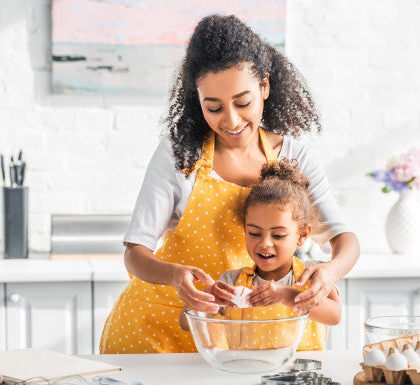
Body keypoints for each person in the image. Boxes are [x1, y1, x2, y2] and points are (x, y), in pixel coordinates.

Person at [100, 14, 359, 354]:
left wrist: (330, 272)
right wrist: (177, 277)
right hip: (158, 328)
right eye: (214, 107)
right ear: (198, 100)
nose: (232, 120)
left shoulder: (294, 157)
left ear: (264, 86)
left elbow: (344, 240)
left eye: (243, 102)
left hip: (237, 338)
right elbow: (136, 255)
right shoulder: (180, 154)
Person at [179, 159, 341, 350]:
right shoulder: (232, 281)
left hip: (301, 377)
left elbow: (334, 316)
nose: (264, 243)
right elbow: (185, 323)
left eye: (278, 235)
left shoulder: (312, 276)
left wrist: (287, 295)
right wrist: (206, 298)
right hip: (247, 373)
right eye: (254, 233)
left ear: (302, 234)